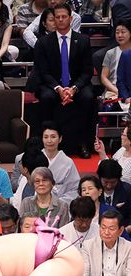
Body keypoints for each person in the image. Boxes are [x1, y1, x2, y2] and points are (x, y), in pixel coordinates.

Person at [34, 3, 94, 158]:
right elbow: (43, 72)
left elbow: (87, 72)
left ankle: (83, 143)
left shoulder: (83, 41)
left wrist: (74, 88)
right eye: (57, 17)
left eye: (64, 17)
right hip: (52, 84)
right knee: (46, 97)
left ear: (71, 18)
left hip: (77, 84)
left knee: (88, 97)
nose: (60, 20)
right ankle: (47, 143)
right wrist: (58, 89)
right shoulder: (43, 42)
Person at [81, 209, 131, 276]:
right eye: (103, 228)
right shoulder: (88, 246)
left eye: (111, 229)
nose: (106, 232)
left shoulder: (128, 248)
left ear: (121, 231)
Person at [41, 122, 80, 203]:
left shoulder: (68, 162)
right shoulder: (36, 158)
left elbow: (74, 189)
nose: (49, 141)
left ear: (60, 139)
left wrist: (57, 203)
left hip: (61, 204)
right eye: (46, 137)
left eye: (53, 137)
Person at [100, 20, 131, 99]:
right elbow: (104, 77)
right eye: (117, 33)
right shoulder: (110, 53)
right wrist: (117, 91)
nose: (119, 35)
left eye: (123, 32)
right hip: (113, 90)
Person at [96, 159, 131, 228]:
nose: (109, 186)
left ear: (119, 178)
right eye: (105, 182)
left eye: (113, 182)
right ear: (99, 178)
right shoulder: (94, 189)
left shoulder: (127, 190)